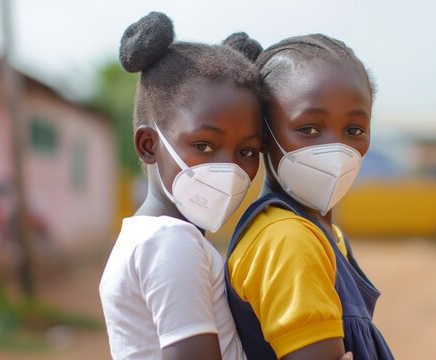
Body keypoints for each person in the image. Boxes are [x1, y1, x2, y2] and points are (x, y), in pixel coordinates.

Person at [99, 12, 263, 360]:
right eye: (204, 145)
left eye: (247, 151)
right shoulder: (171, 242)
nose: (229, 168)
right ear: (148, 145)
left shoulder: (150, 237)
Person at [225, 34, 395, 360]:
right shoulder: (289, 240)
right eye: (309, 129)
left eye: (354, 130)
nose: (336, 149)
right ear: (262, 134)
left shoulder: (322, 233)